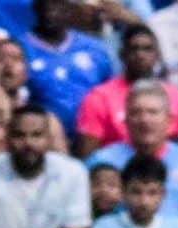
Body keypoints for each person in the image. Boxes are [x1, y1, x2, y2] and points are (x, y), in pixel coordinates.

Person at [86, 82, 178, 228]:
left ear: (169, 121)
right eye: (136, 113)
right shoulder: (102, 160)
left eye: (153, 112)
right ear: (126, 121)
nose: (144, 120)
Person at [74, 26, 178, 157]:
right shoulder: (99, 98)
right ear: (122, 54)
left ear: (157, 56)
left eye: (147, 49)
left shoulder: (174, 95)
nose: (140, 55)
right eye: (134, 49)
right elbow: (89, 156)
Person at [20, 0, 116, 138]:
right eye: (45, 3)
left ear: (69, 8)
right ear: (36, 7)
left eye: (58, 3)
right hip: (43, 139)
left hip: (94, 137)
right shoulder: (20, 49)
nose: (50, 10)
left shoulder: (94, 48)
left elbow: (111, 93)